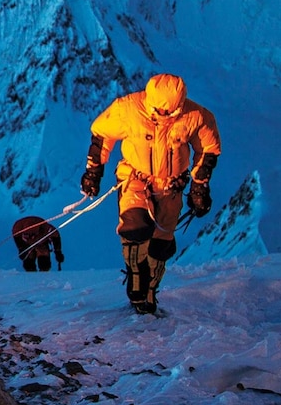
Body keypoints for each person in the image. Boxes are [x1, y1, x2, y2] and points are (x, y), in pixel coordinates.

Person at [80, 73, 220, 314]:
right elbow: (102, 133)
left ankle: (150, 291)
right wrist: (94, 171)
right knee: (134, 227)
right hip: (135, 178)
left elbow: (208, 148)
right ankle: (137, 277)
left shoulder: (195, 116)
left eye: (171, 111)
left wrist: (199, 185)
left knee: (161, 243)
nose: (164, 115)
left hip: (171, 186)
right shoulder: (128, 109)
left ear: (180, 103)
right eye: (159, 110)